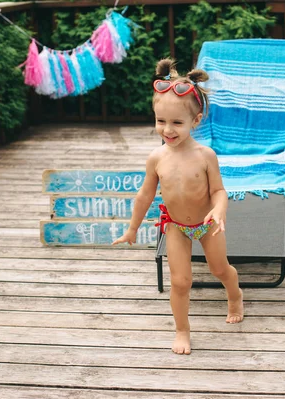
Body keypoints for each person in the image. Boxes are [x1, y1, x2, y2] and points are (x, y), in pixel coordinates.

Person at [112, 58, 244, 355]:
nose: (167, 130)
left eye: (177, 123)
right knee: (180, 281)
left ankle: (234, 295)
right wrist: (132, 228)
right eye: (161, 121)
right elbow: (145, 196)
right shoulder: (156, 158)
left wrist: (219, 209)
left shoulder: (205, 155)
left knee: (219, 269)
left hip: (207, 225)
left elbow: (219, 191)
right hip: (175, 226)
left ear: (195, 122)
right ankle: (182, 330)